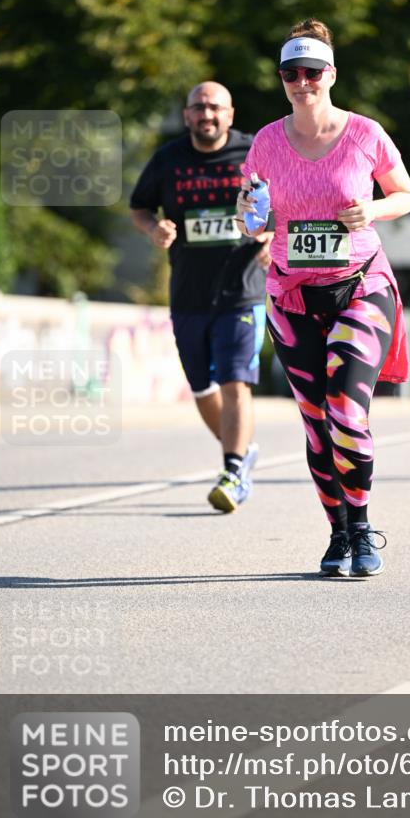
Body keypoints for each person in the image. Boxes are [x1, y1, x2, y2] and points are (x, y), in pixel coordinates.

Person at [237, 19, 410, 578]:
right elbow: (250, 222)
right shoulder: (266, 141)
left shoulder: (365, 134)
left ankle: (362, 528)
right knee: (316, 420)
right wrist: (250, 212)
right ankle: (337, 534)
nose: (302, 82)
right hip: (291, 294)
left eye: (312, 72)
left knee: (345, 407)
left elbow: (405, 195)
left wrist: (374, 210)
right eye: (291, 73)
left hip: (360, 284)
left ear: (331, 74)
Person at [130, 81, 273, 512]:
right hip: (188, 291)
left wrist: (274, 233)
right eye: (198, 107)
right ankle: (243, 453)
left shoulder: (256, 152)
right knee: (200, 388)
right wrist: (154, 229)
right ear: (187, 114)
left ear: (230, 114)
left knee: (235, 381)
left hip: (243, 288)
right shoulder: (169, 159)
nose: (206, 115)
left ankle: (231, 471)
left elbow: (290, 198)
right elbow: (140, 207)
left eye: (215, 107)